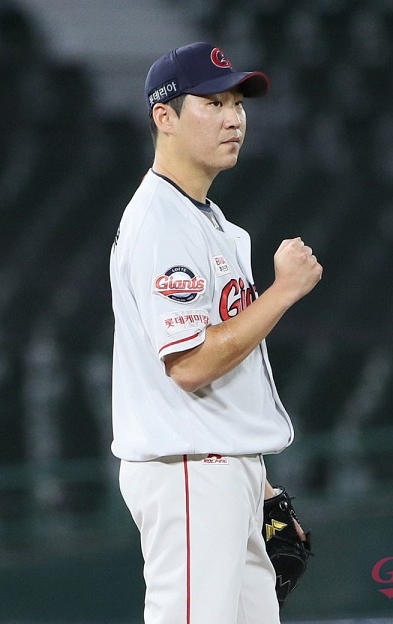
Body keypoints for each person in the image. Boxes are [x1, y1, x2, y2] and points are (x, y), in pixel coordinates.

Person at [109, 41, 322, 624]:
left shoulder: (205, 219)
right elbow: (192, 366)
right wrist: (283, 291)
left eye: (238, 104)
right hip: (188, 470)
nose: (234, 119)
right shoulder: (162, 223)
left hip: (220, 465)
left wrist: (261, 483)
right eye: (213, 103)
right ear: (165, 117)